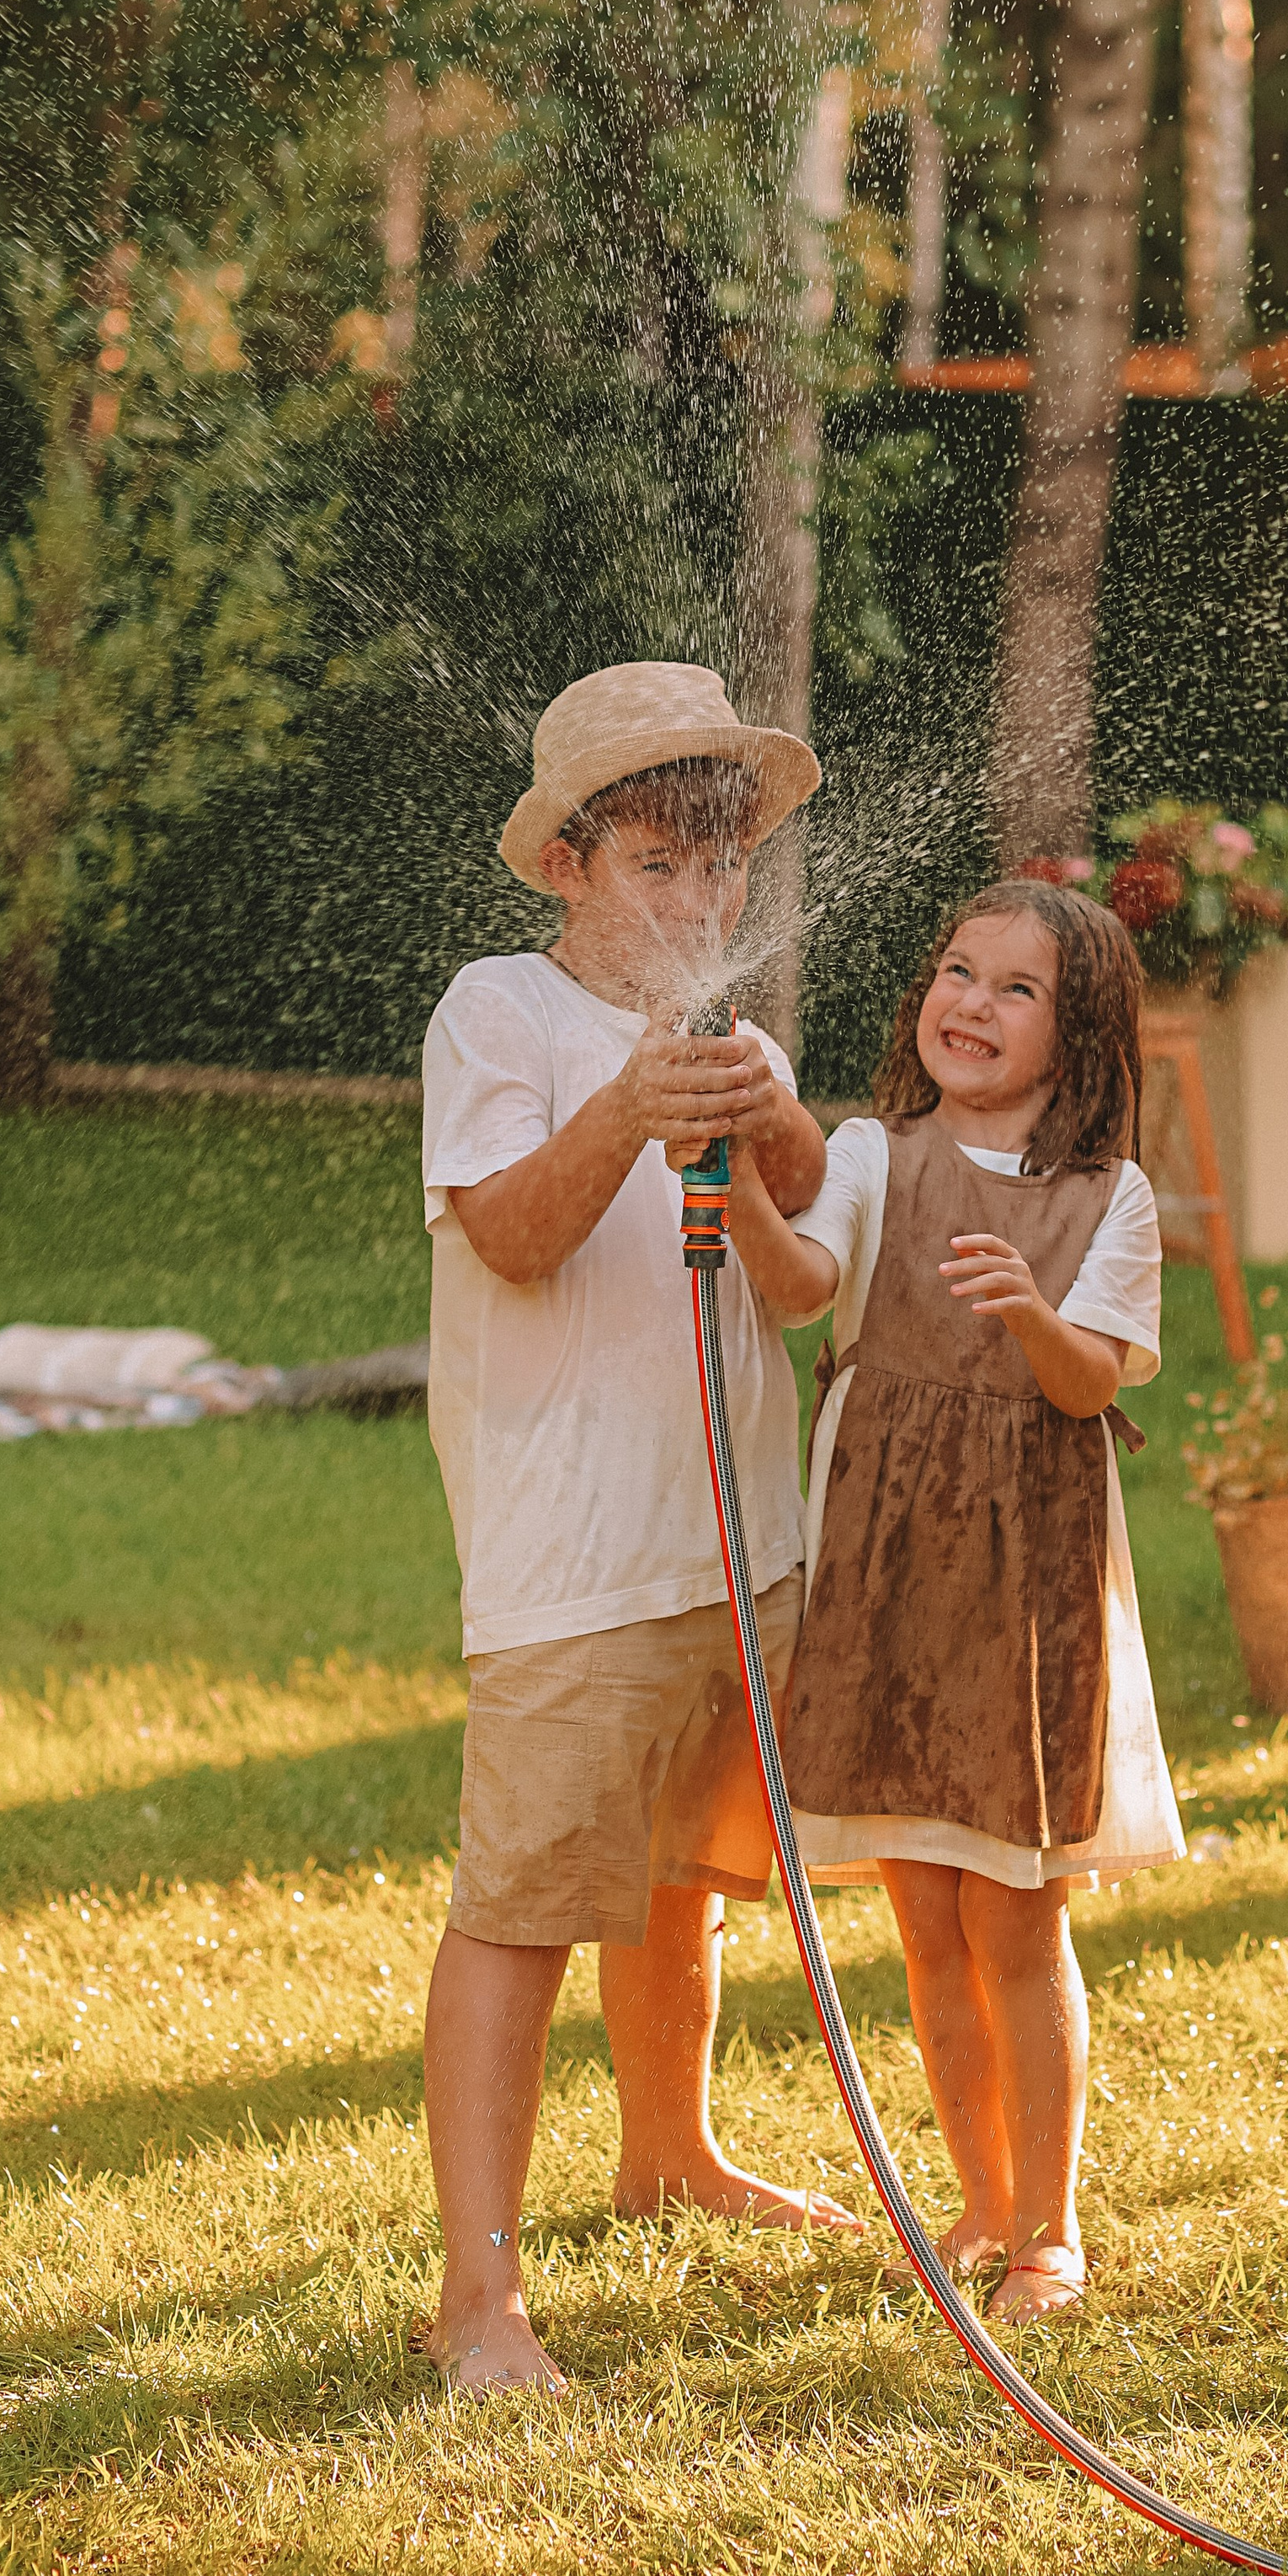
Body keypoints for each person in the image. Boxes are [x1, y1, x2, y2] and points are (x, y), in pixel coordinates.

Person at [416, 661, 860, 2396]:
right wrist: (630, 1111)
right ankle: (479, 2298)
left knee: (685, 1882)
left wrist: (758, 1107)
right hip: (573, 1552)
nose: (697, 898)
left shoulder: (726, 1028)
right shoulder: (496, 1016)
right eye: (659, 865)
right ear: (569, 863)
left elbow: (809, 1216)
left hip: (736, 1540)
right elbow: (514, 1235)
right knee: (523, 1908)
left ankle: (669, 2153)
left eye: (721, 867)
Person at [722, 881, 1183, 2328]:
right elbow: (802, 1288)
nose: (969, 1005)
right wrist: (731, 1174)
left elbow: (1093, 1383)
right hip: (884, 1572)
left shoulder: (1114, 1199)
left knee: (1017, 1916)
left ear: (1082, 1032)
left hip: (1024, 1593)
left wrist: (1032, 1314)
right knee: (925, 1915)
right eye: (956, 973)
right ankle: (978, 2199)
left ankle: (1051, 2226)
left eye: (1016, 989)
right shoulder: (873, 1152)